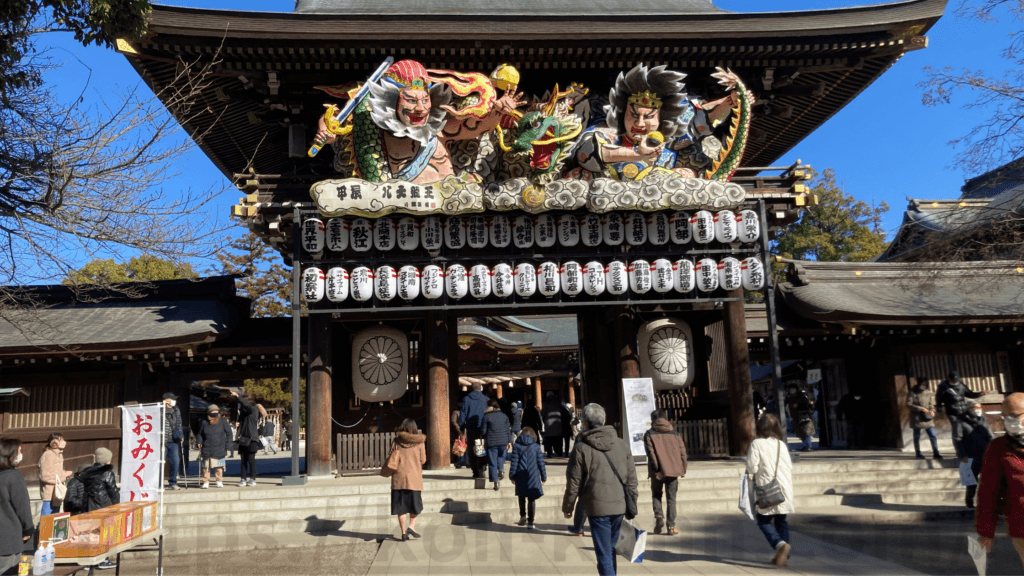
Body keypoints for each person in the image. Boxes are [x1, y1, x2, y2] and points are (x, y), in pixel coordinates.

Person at [562, 403, 638, 576]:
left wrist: (568, 507)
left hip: (597, 507)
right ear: (604, 420)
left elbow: (574, 481)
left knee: (604, 554)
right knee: (610, 550)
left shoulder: (581, 448)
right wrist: (632, 501)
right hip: (619, 505)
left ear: (585, 423)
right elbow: (632, 478)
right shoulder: (621, 444)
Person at [976, 392, 1024, 568]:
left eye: (1014, 415)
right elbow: (988, 493)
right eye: (1005, 417)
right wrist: (985, 532)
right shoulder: (998, 449)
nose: (1009, 421)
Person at [746, 413, 796, 567]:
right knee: (781, 521)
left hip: (767, 488)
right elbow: (789, 466)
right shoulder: (781, 444)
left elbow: (752, 467)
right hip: (784, 488)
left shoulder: (756, 444)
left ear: (760, 427)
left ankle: (780, 545)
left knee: (763, 521)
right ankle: (782, 557)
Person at [643, 409, 688, 535]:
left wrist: (656, 468)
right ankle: (671, 527)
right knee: (671, 499)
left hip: (657, 471)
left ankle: (659, 517)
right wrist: (683, 468)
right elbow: (683, 453)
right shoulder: (675, 433)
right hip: (674, 470)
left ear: (653, 420)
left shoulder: (649, 434)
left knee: (656, 495)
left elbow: (650, 453)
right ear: (665, 418)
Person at [389, 419, 426, 542]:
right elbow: (423, 460)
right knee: (415, 506)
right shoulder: (419, 443)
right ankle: (412, 526)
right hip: (414, 479)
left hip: (398, 479)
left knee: (401, 507)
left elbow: (390, 456)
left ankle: (404, 533)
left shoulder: (396, 441)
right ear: (414, 428)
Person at [937, 371, 991, 457]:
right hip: (952, 412)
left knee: (967, 429)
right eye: (954, 380)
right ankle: (959, 451)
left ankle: (968, 449)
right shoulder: (943, 387)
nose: (956, 382)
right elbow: (938, 399)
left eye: (957, 380)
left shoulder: (962, 385)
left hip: (963, 411)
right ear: (949, 379)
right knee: (957, 430)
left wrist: (979, 394)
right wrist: (939, 409)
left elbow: (970, 394)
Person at [0, 438, 33, 576]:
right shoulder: (13, 477)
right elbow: (22, 507)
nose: (20, 455)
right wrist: (28, 529)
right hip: (9, 540)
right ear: (10, 455)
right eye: (19, 451)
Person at [509, 426, 546, 529]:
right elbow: (541, 463)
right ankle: (531, 522)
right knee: (531, 499)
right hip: (533, 476)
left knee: (521, 496)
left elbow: (514, 463)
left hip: (520, 474)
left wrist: (512, 475)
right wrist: (543, 477)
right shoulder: (536, 447)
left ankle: (522, 516)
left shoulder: (516, 446)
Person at [960, 402, 993, 509]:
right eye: (976, 407)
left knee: (989, 481)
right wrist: (962, 454)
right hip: (969, 455)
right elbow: (957, 440)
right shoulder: (961, 422)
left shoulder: (984, 420)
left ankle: (988, 503)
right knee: (970, 482)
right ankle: (969, 502)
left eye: (980, 407)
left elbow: (990, 436)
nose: (978, 409)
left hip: (984, 453)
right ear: (969, 409)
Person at [231, 391, 265, 487]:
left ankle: (253, 478)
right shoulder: (244, 413)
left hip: (252, 439)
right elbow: (239, 411)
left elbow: (246, 405)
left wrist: (238, 396)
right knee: (243, 461)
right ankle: (243, 478)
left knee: (251, 460)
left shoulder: (253, 410)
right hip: (243, 439)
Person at [197, 404, 232, 489]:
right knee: (206, 467)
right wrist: (199, 441)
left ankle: (219, 481)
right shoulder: (204, 422)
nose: (215, 413)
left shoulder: (223, 421)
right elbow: (199, 434)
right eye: (213, 411)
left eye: (216, 411)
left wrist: (228, 444)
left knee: (219, 467)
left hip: (220, 447)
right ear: (209, 413)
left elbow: (229, 433)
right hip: (207, 447)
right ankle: (205, 482)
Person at [458, 384, 489, 479]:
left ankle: (475, 470)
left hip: (471, 427)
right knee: (482, 447)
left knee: (472, 448)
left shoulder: (466, 399)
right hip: (483, 427)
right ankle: (482, 467)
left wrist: (462, 427)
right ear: (481, 388)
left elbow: (462, 414)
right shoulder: (486, 399)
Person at [38, 432, 72, 516]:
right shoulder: (48, 454)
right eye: (62, 440)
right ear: (54, 442)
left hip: (57, 494)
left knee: (54, 519)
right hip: (49, 494)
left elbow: (56, 472)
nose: (64, 442)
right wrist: (63, 476)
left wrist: (64, 473)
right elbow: (45, 476)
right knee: (47, 520)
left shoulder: (59, 454)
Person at [481, 400, 512, 491]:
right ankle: (501, 469)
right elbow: (508, 430)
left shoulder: (486, 416)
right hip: (503, 441)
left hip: (492, 442)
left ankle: (496, 482)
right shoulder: (504, 416)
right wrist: (509, 441)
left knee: (492, 461)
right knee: (500, 457)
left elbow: (483, 431)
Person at [907, 380, 942, 459]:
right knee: (917, 436)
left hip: (927, 417)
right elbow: (908, 404)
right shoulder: (912, 392)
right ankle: (918, 453)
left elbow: (931, 404)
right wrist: (920, 408)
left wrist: (933, 411)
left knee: (932, 435)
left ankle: (936, 452)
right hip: (916, 417)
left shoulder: (929, 393)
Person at [79, 448, 119, 512]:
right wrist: (117, 504)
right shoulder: (107, 472)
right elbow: (112, 491)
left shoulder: (87, 472)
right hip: (103, 505)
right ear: (106, 460)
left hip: (87, 505)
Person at [162, 392, 184, 490]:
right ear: (167, 400)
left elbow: (179, 423)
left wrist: (181, 434)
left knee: (175, 462)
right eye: (172, 399)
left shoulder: (176, 410)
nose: (174, 400)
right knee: (160, 462)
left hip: (173, 440)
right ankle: (158, 483)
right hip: (162, 441)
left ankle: (172, 482)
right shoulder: (159, 409)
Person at [786, 384, 815, 452]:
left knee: (806, 432)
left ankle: (808, 446)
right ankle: (805, 445)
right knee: (801, 432)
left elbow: (806, 405)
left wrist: (798, 405)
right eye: (790, 389)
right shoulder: (790, 397)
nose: (792, 390)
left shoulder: (801, 396)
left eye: (793, 388)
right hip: (795, 417)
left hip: (804, 416)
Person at [542, 391, 565, 458]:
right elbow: (562, 411)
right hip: (558, 423)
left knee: (549, 440)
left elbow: (542, 413)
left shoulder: (545, 403)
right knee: (558, 440)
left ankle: (550, 453)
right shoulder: (558, 402)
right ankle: (559, 452)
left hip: (549, 424)